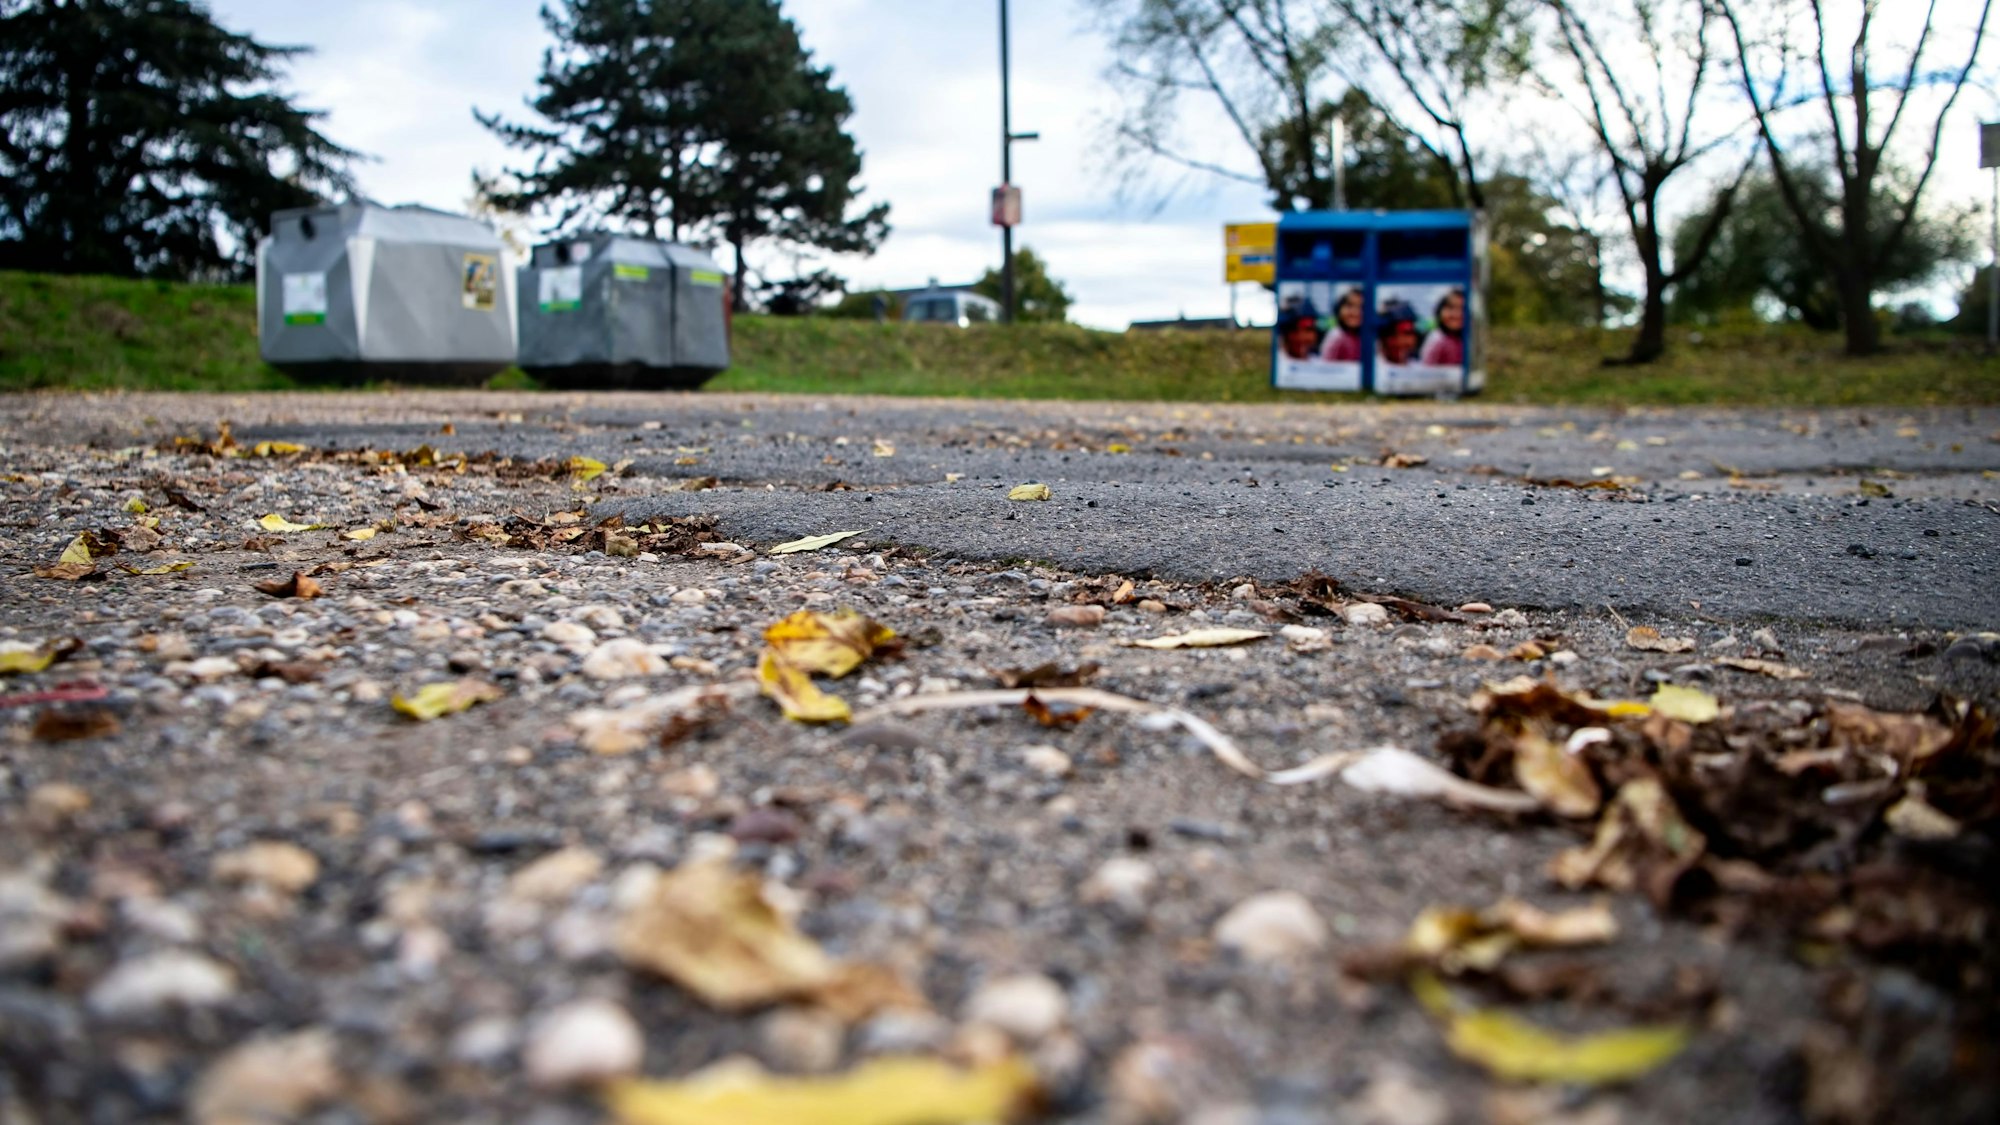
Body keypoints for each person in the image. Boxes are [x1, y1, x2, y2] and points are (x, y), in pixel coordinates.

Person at [1420, 288, 1466, 366]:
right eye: (1450, 307)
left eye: (1462, 308)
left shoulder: (1466, 338)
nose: (1456, 314)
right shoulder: (1437, 341)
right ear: (1440, 311)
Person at [1319, 286, 1364, 361]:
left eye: (1361, 307)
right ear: (1339, 309)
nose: (1356, 312)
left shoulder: (1361, 336)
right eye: (1349, 305)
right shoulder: (1337, 338)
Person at [1376, 300, 1420, 365]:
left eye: (1408, 333)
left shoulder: (1419, 368)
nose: (1401, 341)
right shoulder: (1372, 369)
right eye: (1392, 334)